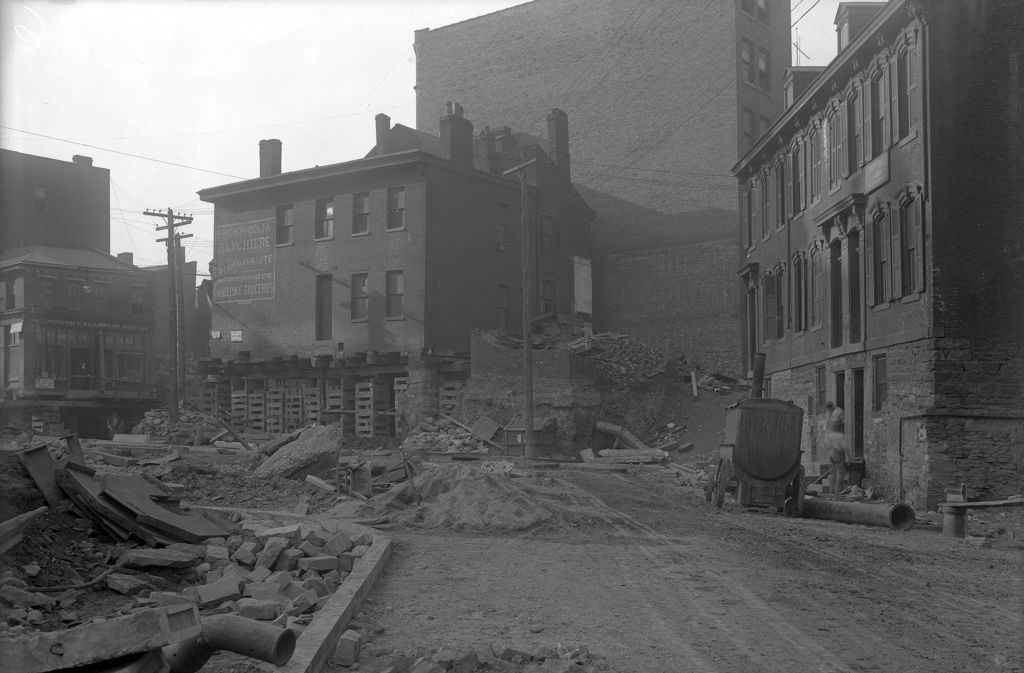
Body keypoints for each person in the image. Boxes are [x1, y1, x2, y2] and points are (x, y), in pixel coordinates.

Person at [824, 402, 847, 495]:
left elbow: (826, 444)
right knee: (840, 473)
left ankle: (831, 490)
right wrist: (848, 456)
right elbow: (845, 447)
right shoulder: (841, 435)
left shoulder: (830, 434)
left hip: (831, 452)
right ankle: (838, 491)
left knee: (832, 473)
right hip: (838, 453)